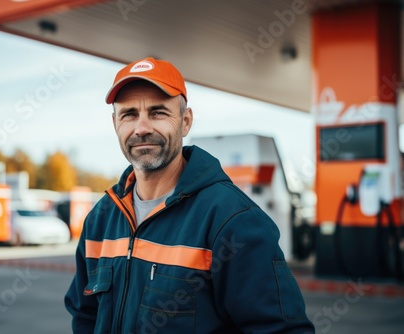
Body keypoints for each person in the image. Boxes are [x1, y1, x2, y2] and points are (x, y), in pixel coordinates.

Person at [64, 57, 315, 333]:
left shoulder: (232, 221)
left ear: (185, 122)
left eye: (158, 112)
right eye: (129, 114)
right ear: (115, 124)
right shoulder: (100, 220)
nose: (142, 128)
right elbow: (85, 315)